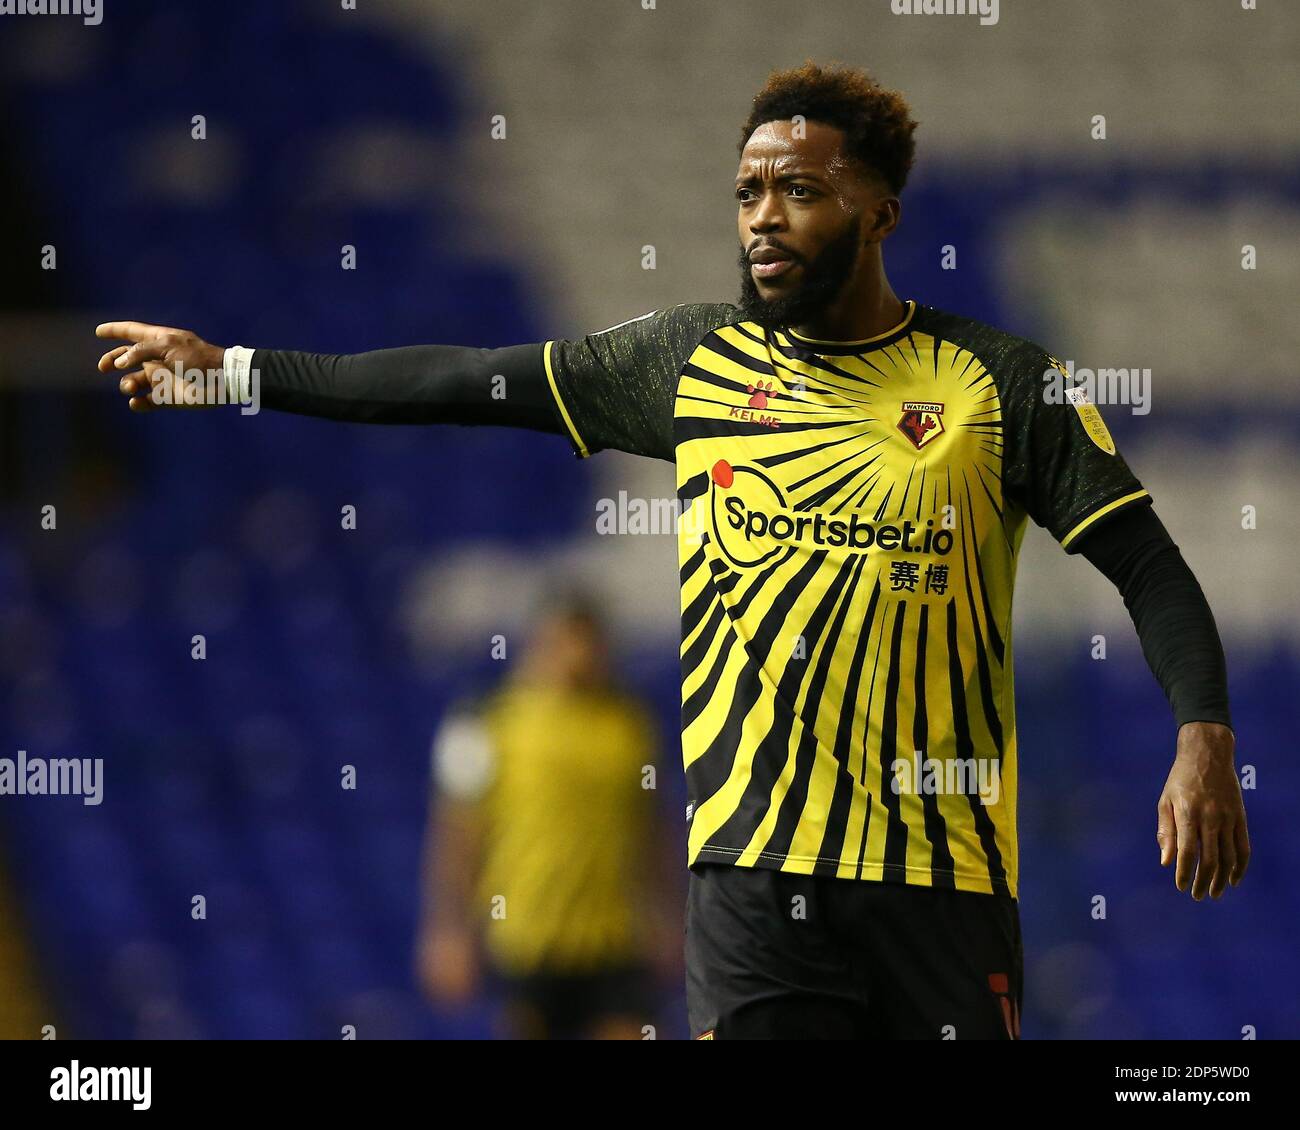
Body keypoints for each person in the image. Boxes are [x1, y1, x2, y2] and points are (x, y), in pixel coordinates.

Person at [95, 61, 1248, 1040]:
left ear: (879, 212)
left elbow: (1148, 564)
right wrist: (236, 369)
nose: (760, 214)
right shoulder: (687, 364)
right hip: (751, 878)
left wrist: (1200, 731)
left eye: (798, 189)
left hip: (940, 880)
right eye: (747, 189)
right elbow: (454, 380)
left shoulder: (1000, 383)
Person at [415, 595, 679, 1040]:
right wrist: (447, 929)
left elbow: (653, 829)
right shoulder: (487, 723)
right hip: (525, 942)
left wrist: (668, 916)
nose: (577, 657)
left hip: (612, 940)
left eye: (587, 644)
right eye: (564, 643)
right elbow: (457, 832)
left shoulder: (630, 727)